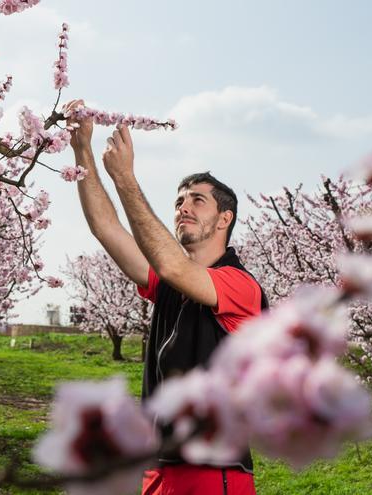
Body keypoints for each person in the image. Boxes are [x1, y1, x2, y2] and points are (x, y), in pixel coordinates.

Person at [64, 99, 268, 495]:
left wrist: (126, 180)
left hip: (212, 469)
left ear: (225, 218)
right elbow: (107, 229)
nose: (183, 208)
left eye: (197, 200)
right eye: (178, 201)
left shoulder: (240, 284)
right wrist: (82, 150)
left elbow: (175, 267)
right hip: (158, 467)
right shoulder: (170, 284)